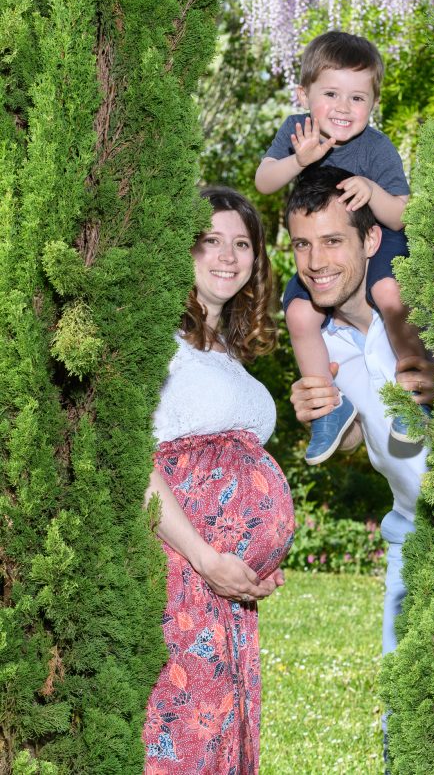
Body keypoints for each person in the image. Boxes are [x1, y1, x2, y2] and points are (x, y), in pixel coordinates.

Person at [143, 186, 295, 775]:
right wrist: (208, 558)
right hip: (181, 572)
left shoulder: (227, 351)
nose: (228, 256)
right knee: (183, 737)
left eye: (242, 244)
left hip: (224, 589)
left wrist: (255, 560)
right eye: (211, 240)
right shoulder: (157, 338)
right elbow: (137, 462)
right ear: (184, 249)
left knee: (221, 736)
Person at [255, 30, 430, 467]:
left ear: (373, 103)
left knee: (388, 291)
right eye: (331, 94)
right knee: (298, 313)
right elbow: (264, 182)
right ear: (304, 95)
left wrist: (372, 190)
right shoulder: (297, 132)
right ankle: (329, 409)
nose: (343, 107)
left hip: (380, 238)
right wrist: (299, 160)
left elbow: (401, 215)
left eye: (357, 98)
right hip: (331, 245)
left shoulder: (377, 147)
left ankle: (415, 388)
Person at [285, 167, 434, 660]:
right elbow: (355, 438)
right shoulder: (322, 342)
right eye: (302, 245)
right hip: (410, 536)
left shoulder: (420, 308)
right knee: (407, 696)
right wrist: (319, 413)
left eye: (332, 241)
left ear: (371, 240)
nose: (315, 262)